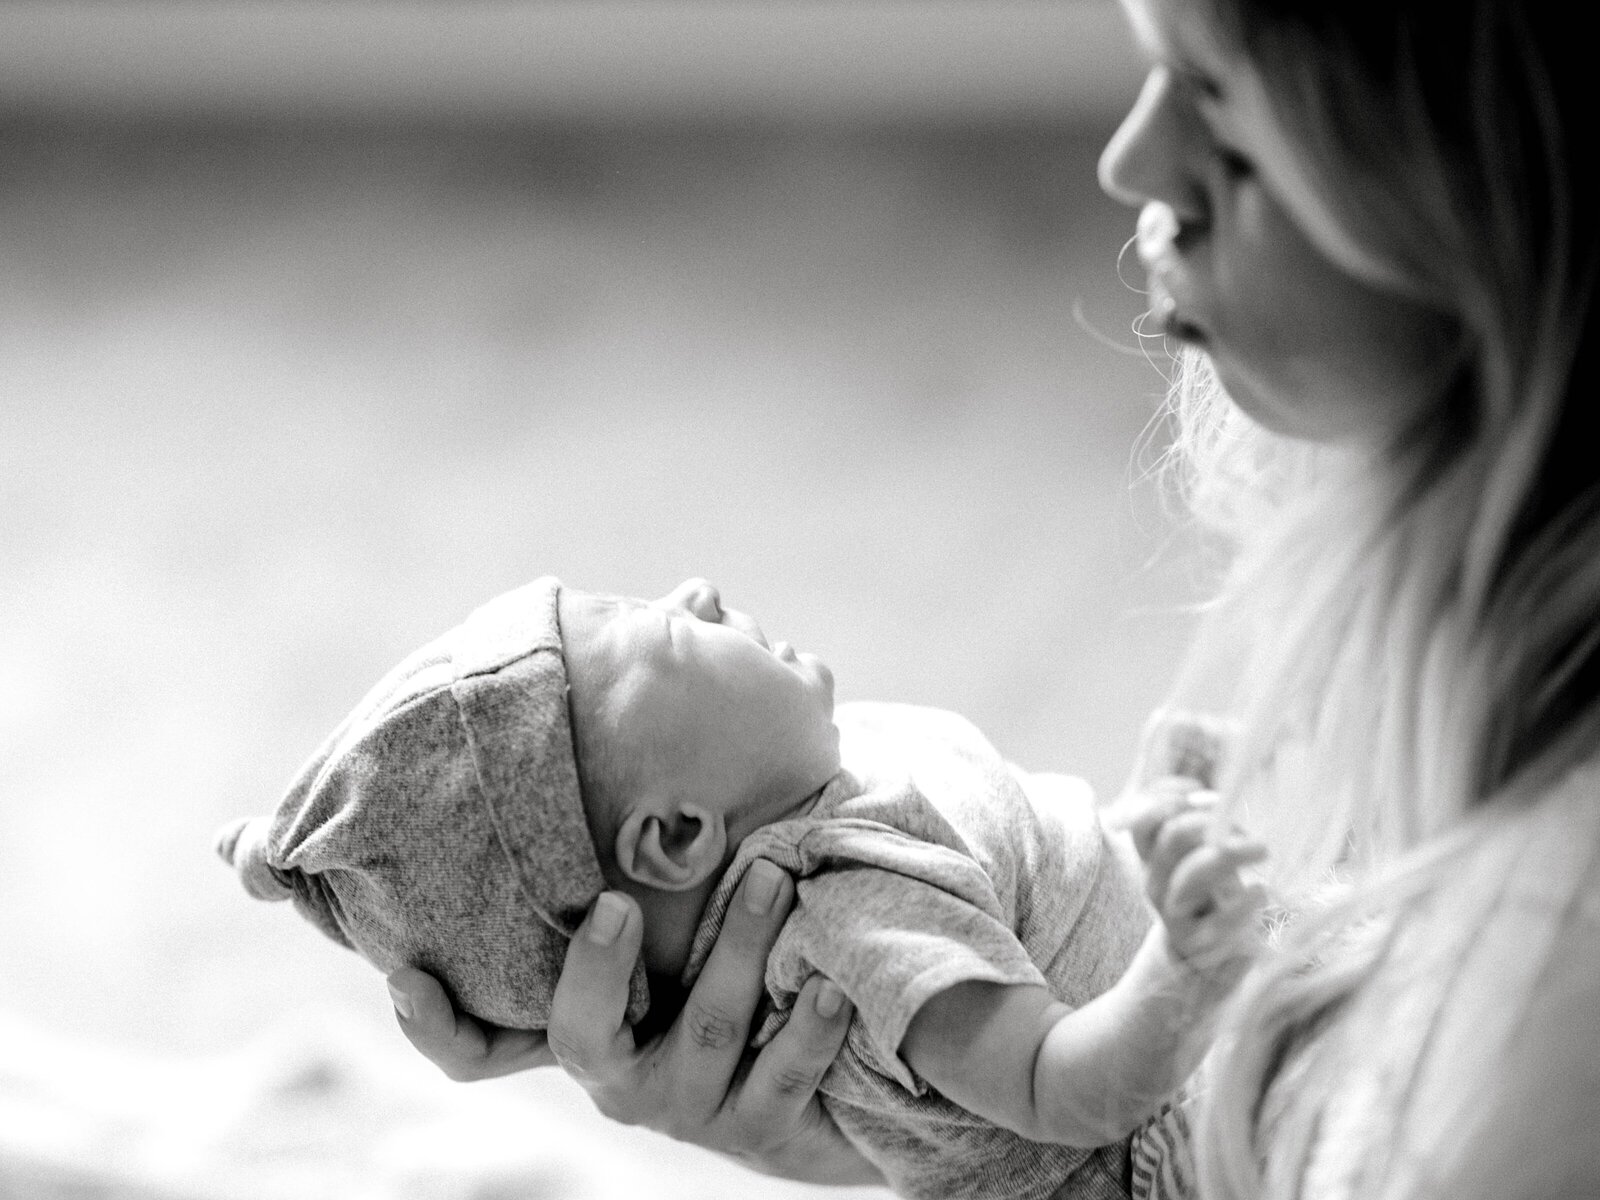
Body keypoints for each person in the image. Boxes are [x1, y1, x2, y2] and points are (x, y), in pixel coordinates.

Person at [386, 0, 1600, 1193]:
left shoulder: (1535, 999)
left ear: (1485, 214)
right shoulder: (834, 891)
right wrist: (908, 1124)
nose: (1130, 162)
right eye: (1156, 65)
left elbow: (1077, 1090)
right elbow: (1046, 1082)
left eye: (1231, 129)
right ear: (674, 835)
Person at [219, 573, 1268, 1198]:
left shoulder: (812, 787)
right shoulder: (851, 912)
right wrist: (1183, 956)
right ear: (677, 834)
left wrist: (1122, 846)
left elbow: (1010, 883)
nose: (700, 590)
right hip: (1174, 1140)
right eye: (668, 631)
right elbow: (1061, 1091)